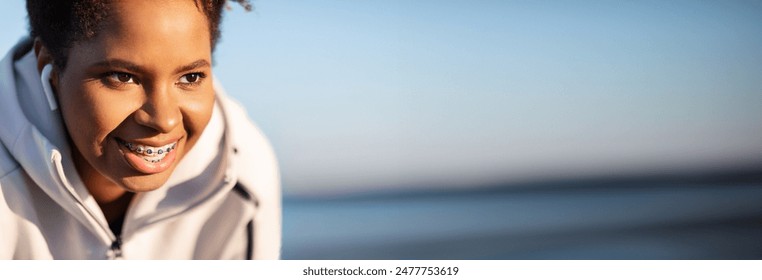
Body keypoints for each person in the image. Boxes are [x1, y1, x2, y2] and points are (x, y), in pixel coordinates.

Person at [0, 0, 281, 259]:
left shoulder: (241, 175)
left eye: (190, 77)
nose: (164, 119)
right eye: (122, 77)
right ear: (47, 68)